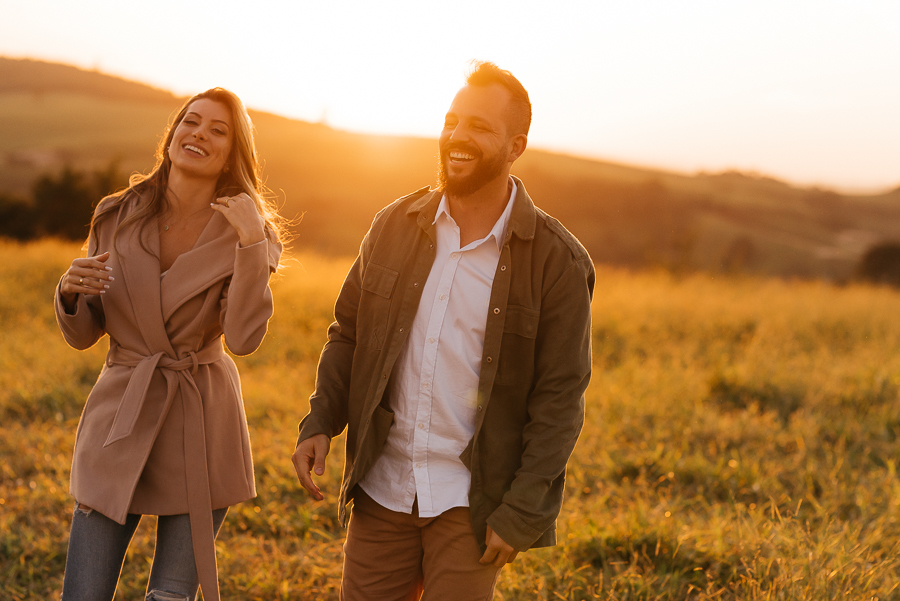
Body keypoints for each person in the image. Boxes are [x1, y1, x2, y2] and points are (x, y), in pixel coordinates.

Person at [292, 62, 594, 600]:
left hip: (470, 502)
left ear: (516, 145)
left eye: (479, 126)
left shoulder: (556, 261)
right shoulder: (392, 226)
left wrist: (522, 507)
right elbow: (348, 333)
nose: (457, 136)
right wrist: (321, 420)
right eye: (452, 120)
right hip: (382, 486)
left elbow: (560, 397)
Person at [55, 87, 283, 601]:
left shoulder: (248, 231)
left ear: (231, 156)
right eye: (191, 121)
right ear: (172, 134)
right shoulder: (117, 214)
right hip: (121, 414)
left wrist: (250, 246)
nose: (199, 133)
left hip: (199, 418)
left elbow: (245, 338)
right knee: (82, 594)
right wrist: (69, 292)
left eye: (217, 130)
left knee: (169, 598)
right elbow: (84, 333)